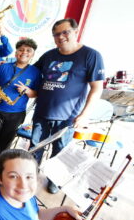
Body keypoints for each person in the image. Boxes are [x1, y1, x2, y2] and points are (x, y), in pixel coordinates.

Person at [30, 19, 105, 194]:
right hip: (42, 112)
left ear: (75, 31)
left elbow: (97, 88)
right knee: (35, 148)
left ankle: (54, 180)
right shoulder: (48, 55)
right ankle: (30, 176)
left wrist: (84, 115)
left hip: (67, 117)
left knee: (60, 152)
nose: (61, 37)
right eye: (56, 34)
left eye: (65, 32)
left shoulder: (91, 55)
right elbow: (31, 73)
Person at [0, 38, 41, 153]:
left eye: (28, 50)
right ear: (16, 53)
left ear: (33, 54)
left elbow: (37, 93)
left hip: (16, 114)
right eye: (21, 50)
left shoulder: (36, 72)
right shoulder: (4, 67)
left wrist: (27, 90)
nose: (24, 52)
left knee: (4, 147)